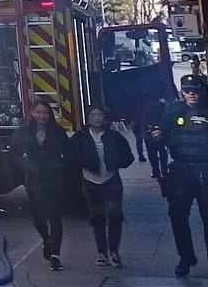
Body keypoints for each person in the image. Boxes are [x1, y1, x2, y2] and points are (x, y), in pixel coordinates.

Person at [153, 76, 208, 283]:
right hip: (181, 170)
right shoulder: (173, 110)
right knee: (178, 218)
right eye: (187, 90)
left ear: (203, 90)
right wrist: (156, 136)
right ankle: (186, 257)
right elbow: (161, 135)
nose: (191, 94)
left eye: (195, 90)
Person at [73, 103, 134, 266]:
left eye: (100, 115)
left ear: (105, 118)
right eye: (93, 115)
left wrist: (116, 163)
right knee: (97, 216)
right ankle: (101, 252)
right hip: (90, 181)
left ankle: (114, 250)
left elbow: (128, 157)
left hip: (111, 180)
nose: (96, 118)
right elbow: (71, 156)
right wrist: (83, 163)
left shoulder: (114, 137)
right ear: (88, 118)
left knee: (115, 213)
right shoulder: (81, 137)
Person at [17, 96, 70, 270]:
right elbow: (13, 152)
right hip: (34, 179)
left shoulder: (57, 131)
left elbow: (68, 152)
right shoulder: (24, 131)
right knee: (39, 218)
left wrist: (60, 167)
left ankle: (55, 255)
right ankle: (47, 240)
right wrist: (26, 167)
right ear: (32, 113)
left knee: (55, 217)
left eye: (46, 113)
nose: (42, 116)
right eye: (38, 112)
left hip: (55, 179)